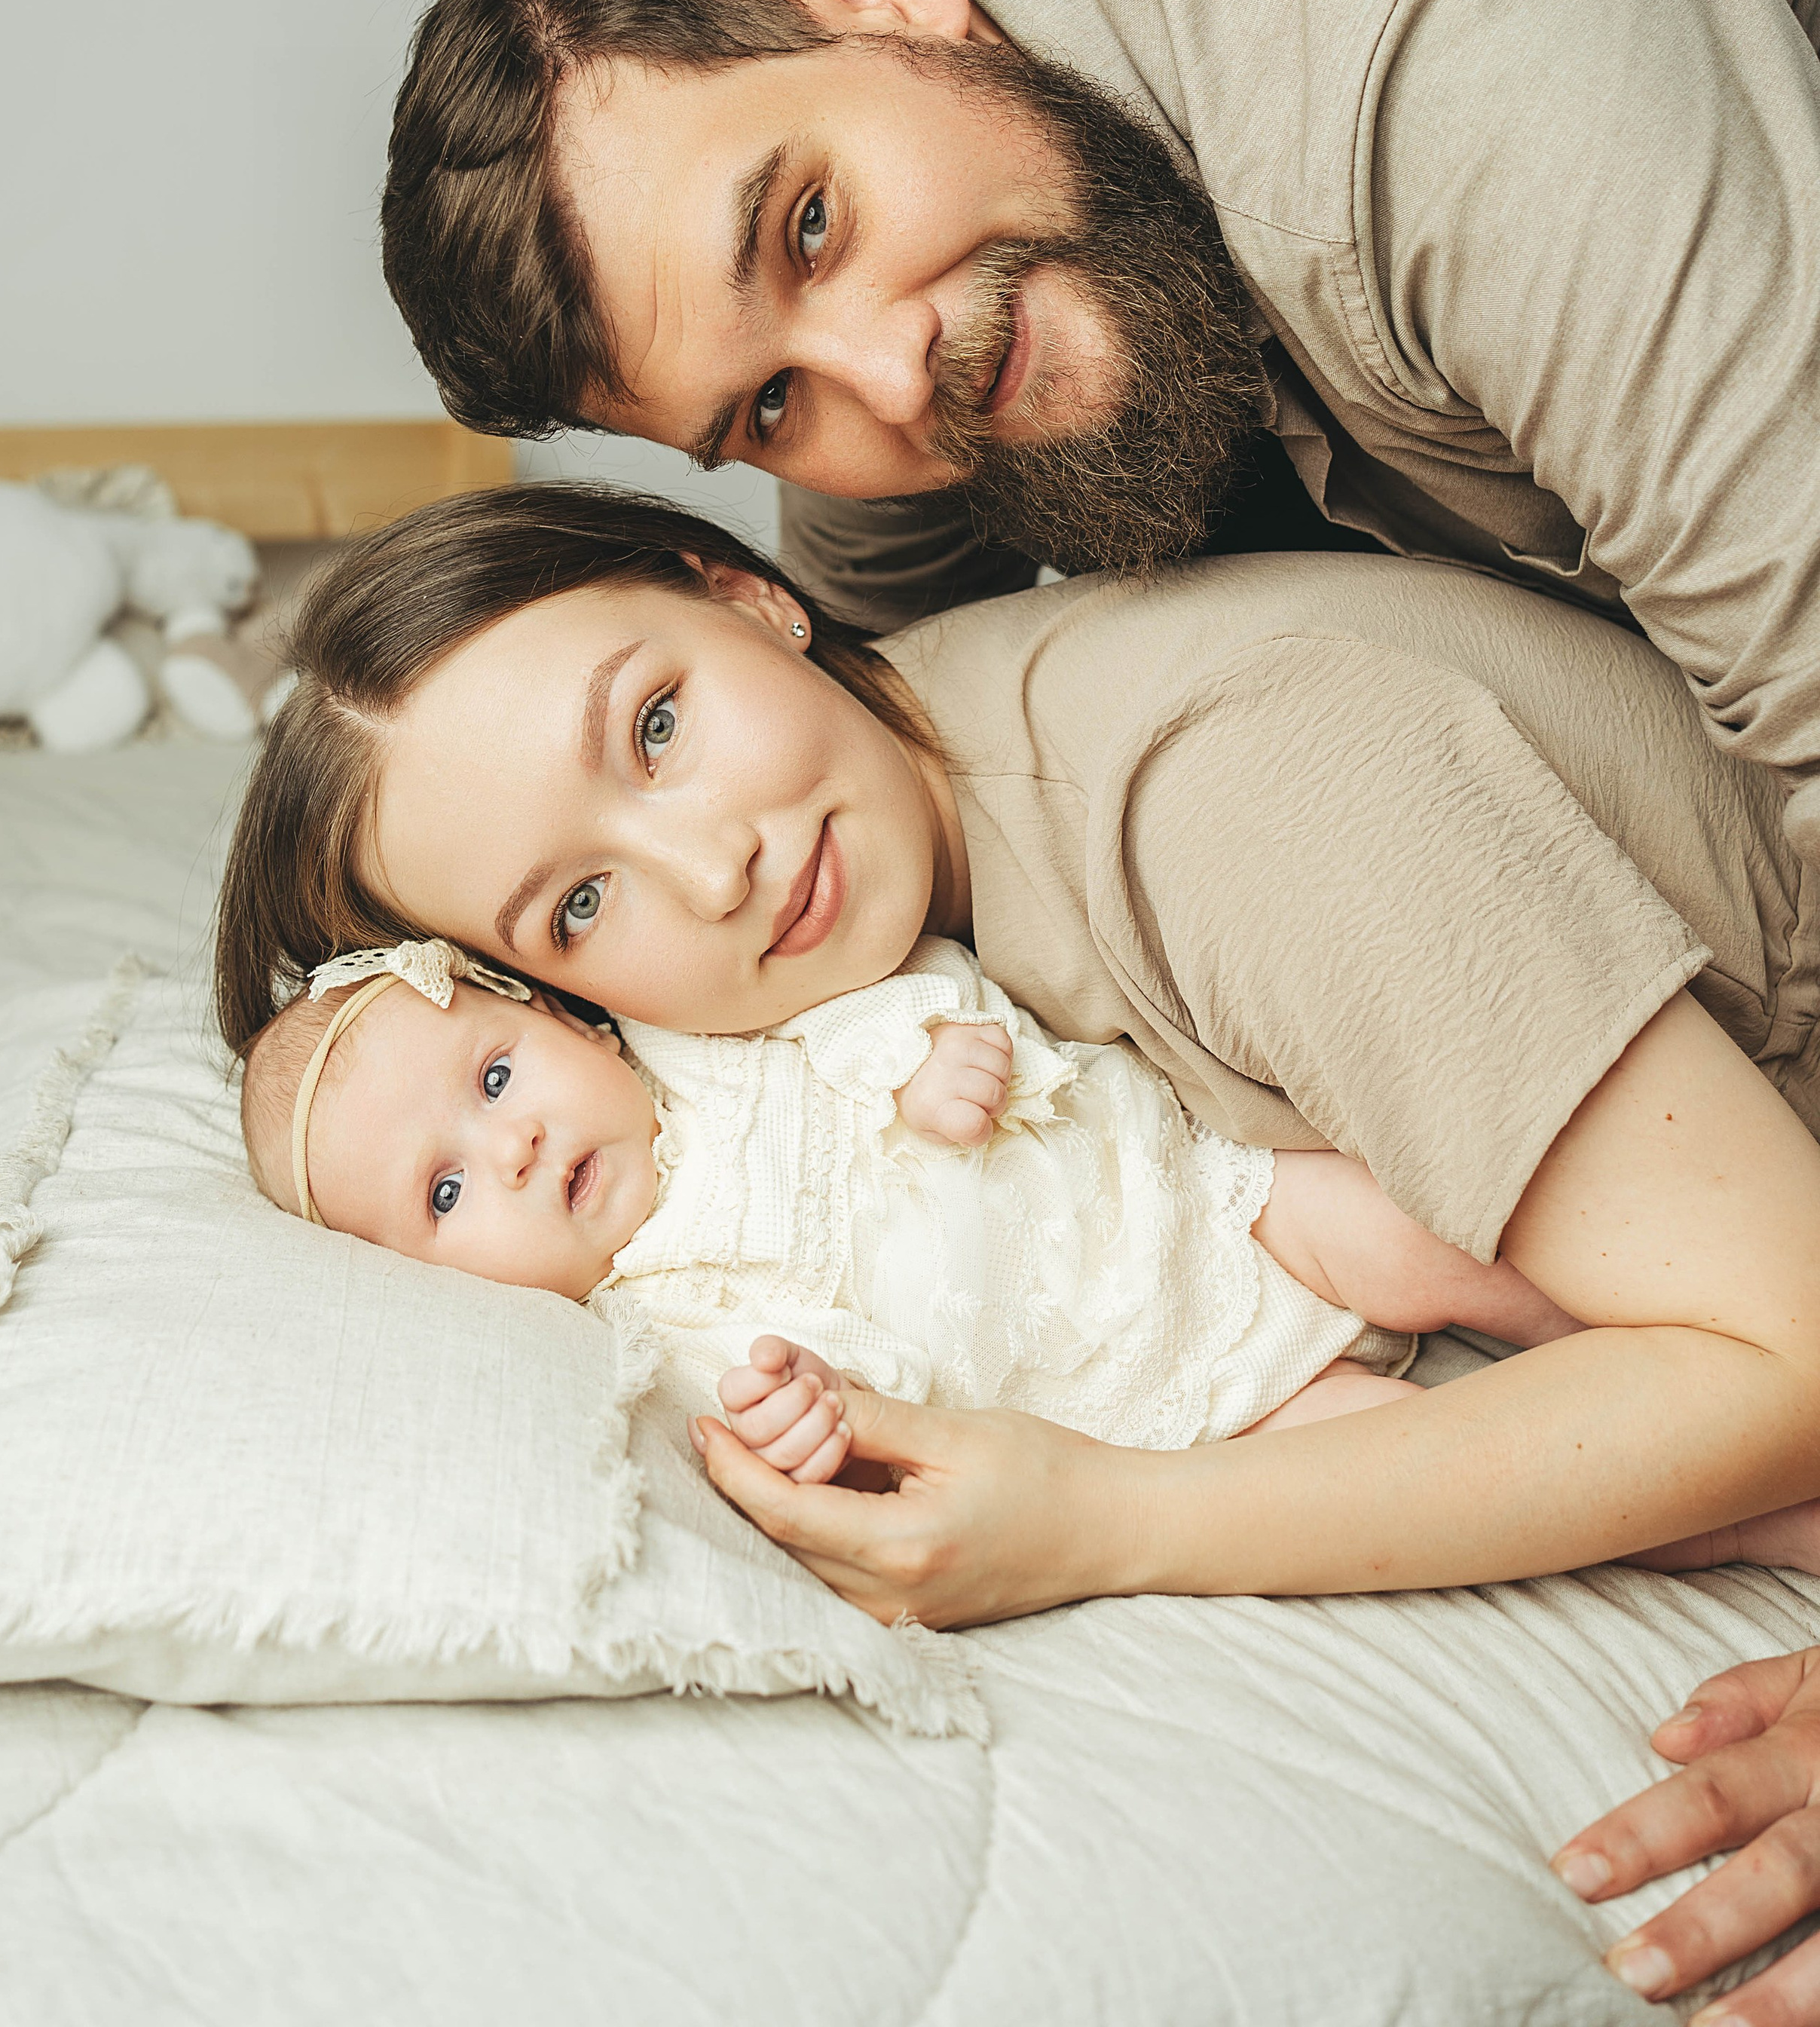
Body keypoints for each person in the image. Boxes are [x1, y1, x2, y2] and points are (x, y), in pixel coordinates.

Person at [381, 0, 1820, 890]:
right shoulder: (855, 128)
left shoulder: (1450, 44)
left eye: (809, 229)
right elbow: (869, 704)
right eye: (764, 408)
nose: (887, 377)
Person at [214, 481, 1820, 1606]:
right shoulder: (906, 839)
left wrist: (1106, 1521)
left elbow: (1794, 1366)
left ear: (751, 597)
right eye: (575, 906)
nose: (716, 873)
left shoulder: (1217, 795)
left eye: (655, 725)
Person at [239, 931, 1592, 1468]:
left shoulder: (693, 1039)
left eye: (493, 1074)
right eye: (449, 1189)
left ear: (559, 1020)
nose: (517, 1146)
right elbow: (842, 1420)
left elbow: (884, 984)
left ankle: (1737, 1338)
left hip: (1206, 1201)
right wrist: (814, 1426)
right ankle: (1762, 1508)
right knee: (1464, 1461)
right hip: (1174, 1409)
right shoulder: (656, 1327)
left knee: (1448, 1247)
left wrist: (931, 1053)